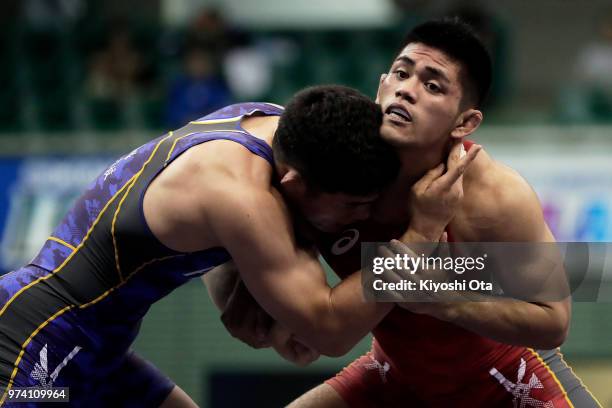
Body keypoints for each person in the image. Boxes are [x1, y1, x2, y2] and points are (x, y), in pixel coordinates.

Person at [0, 85, 476, 407]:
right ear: (296, 183)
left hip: (100, 346)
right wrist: (419, 234)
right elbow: (331, 331)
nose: (361, 218)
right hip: (30, 341)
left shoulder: (276, 129)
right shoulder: (238, 193)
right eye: (352, 206)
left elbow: (211, 251)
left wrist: (251, 295)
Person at [222, 19, 602, 407]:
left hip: (503, 382)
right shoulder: (330, 155)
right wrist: (241, 289)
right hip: (395, 375)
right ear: (381, 83)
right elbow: (227, 208)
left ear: (465, 122)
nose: (407, 90)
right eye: (402, 74)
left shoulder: (494, 197)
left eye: (432, 85)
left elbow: (554, 322)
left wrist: (445, 300)